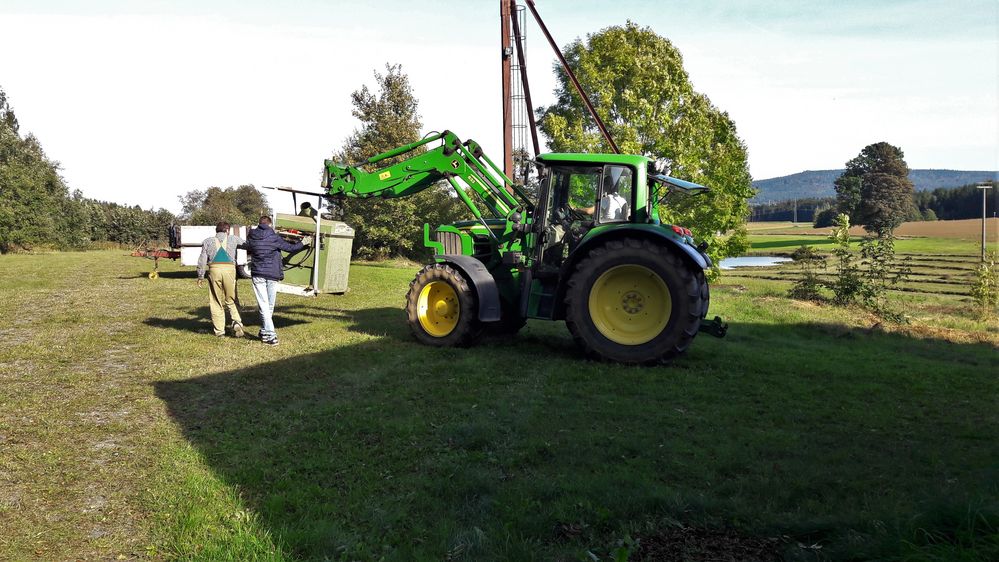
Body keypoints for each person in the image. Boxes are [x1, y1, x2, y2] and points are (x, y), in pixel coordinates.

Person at [241, 215, 309, 346]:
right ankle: (272, 336)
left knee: (265, 305)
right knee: (268, 306)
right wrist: (303, 242)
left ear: (259, 224)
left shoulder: (252, 236)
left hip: (258, 274)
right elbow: (290, 248)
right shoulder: (274, 237)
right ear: (270, 224)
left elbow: (247, 246)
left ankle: (264, 331)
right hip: (272, 274)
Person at [196, 222, 245, 338]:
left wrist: (200, 276)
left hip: (214, 270)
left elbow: (202, 260)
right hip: (230, 270)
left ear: (216, 231)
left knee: (216, 300)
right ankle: (237, 322)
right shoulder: (234, 239)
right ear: (227, 230)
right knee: (231, 298)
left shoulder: (207, 241)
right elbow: (247, 245)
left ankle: (220, 331)